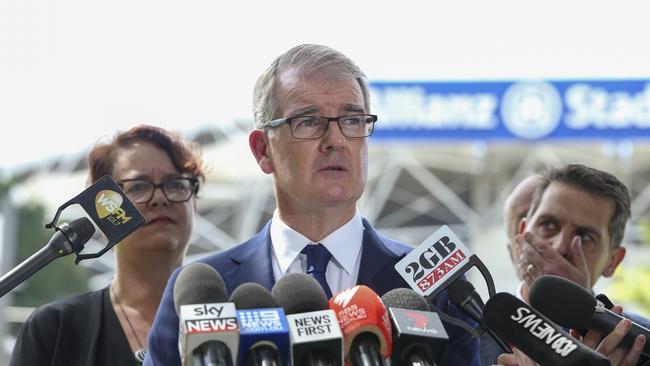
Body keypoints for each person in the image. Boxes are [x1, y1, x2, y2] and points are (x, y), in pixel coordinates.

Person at [144, 44, 480, 365]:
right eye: (308, 121)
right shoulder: (200, 293)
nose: (335, 141)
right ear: (263, 150)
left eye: (352, 121)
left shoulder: (435, 288)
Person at [10, 125, 204, 366]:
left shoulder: (235, 317)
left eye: (176, 184)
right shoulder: (55, 329)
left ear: (194, 203)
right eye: (138, 186)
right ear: (99, 211)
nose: (160, 198)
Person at [493, 164, 649, 366]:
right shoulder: (464, 331)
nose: (559, 247)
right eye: (548, 225)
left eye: (584, 236)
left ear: (613, 261)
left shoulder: (639, 345)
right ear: (521, 232)